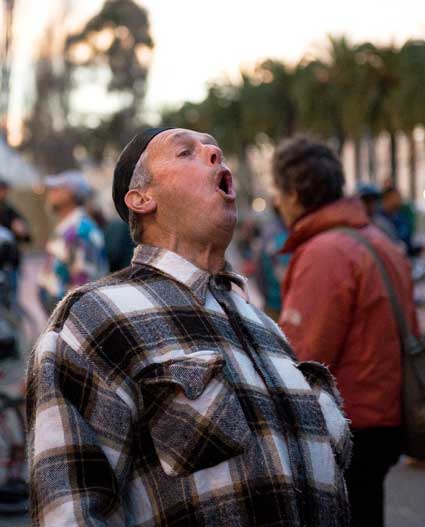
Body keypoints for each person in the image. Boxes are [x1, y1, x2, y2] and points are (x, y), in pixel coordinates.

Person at [27, 128, 351, 527]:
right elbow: (70, 512)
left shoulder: (266, 328)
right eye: (185, 152)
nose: (215, 151)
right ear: (142, 199)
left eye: (215, 146)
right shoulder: (95, 317)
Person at [273, 136, 417, 527]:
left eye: (278, 193)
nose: (278, 204)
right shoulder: (378, 241)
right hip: (387, 413)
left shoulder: (326, 252)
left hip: (349, 422)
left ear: (296, 193)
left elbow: (303, 357)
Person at [37, 170, 108, 314]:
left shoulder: (81, 230)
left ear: (71, 194)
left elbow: (84, 282)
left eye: (57, 188)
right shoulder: (67, 228)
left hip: (71, 319)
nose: (50, 193)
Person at [0, 178, 31, 300]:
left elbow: (26, 235)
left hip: (10, 264)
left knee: (11, 298)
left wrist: (22, 231)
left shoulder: (9, 210)